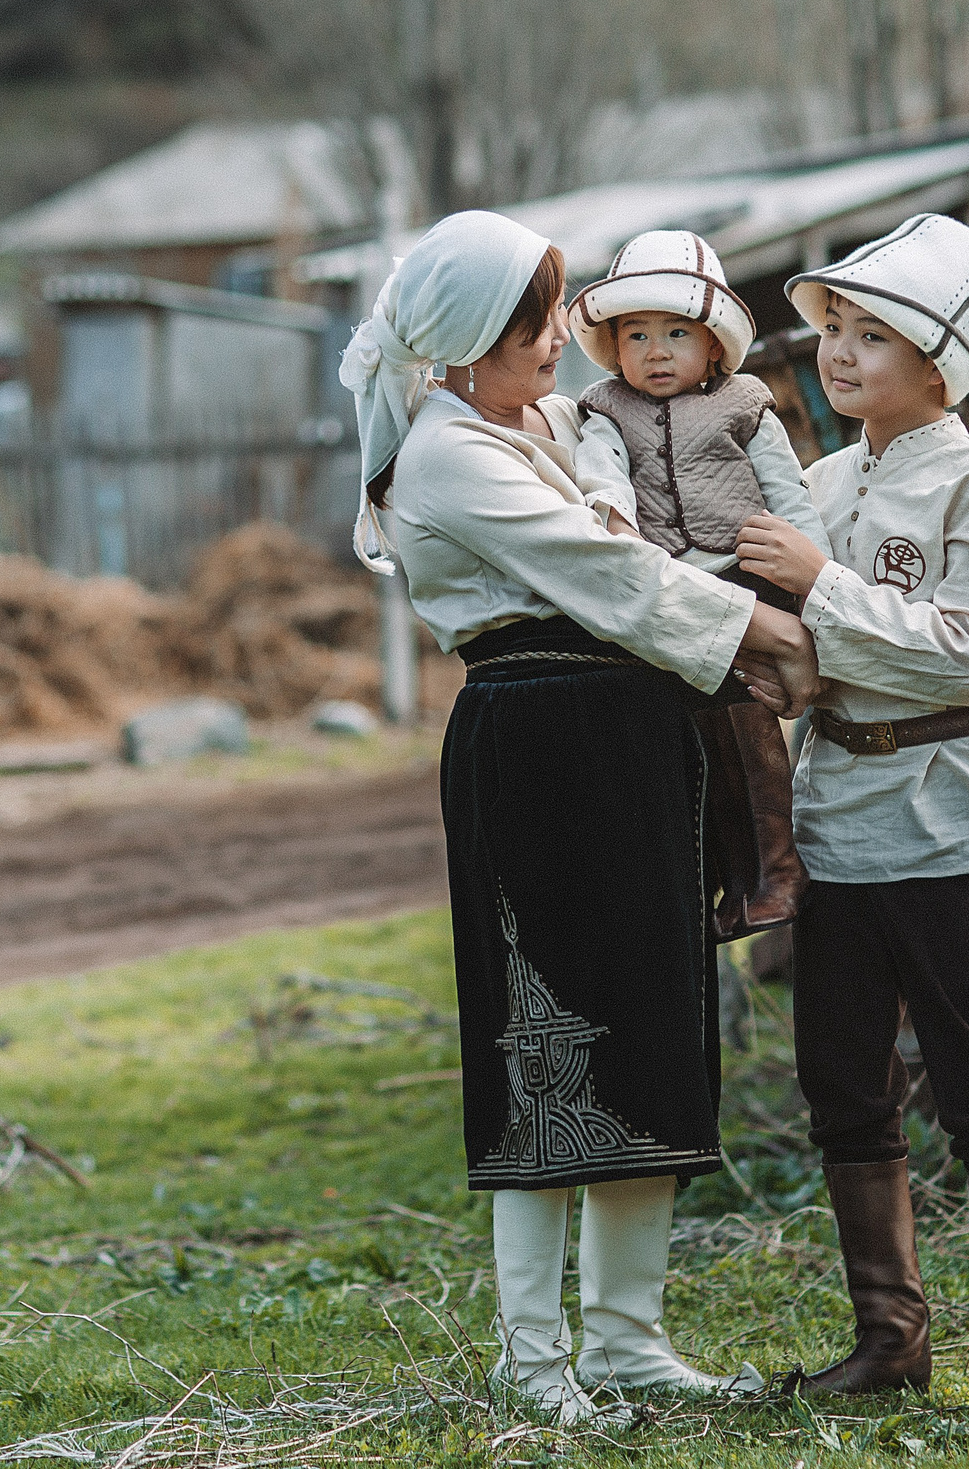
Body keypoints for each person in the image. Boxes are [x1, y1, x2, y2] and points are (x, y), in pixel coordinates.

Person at [342, 209, 820, 1427]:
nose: (563, 337)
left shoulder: (552, 422)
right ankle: (534, 1356)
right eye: (535, 322)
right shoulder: (447, 455)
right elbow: (606, 574)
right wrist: (755, 629)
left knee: (653, 1024)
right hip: (537, 736)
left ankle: (626, 1338)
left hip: (632, 733)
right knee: (542, 1039)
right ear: (459, 345)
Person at [733, 212, 969, 1436]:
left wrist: (821, 589)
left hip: (948, 822)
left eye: (873, 336)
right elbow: (788, 656)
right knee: (842, 1085)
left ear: (944, 365)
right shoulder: (822, 485)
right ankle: (891, 1340)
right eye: (833, 331)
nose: (839, 355)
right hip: (834, 822)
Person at [568, 230, 829, 942]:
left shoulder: (746, 405)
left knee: (747, 721)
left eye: (676, 332)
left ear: (714, 344)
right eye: (638, 335)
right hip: (674, 590)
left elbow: (790, 494)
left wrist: (816, 583)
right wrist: (616, 524)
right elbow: (602, 473)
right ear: (615, 347)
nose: (656, 351)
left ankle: (779, 868)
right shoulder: (605, 410)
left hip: (746, 576)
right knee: (697, 736)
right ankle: (734, 880)